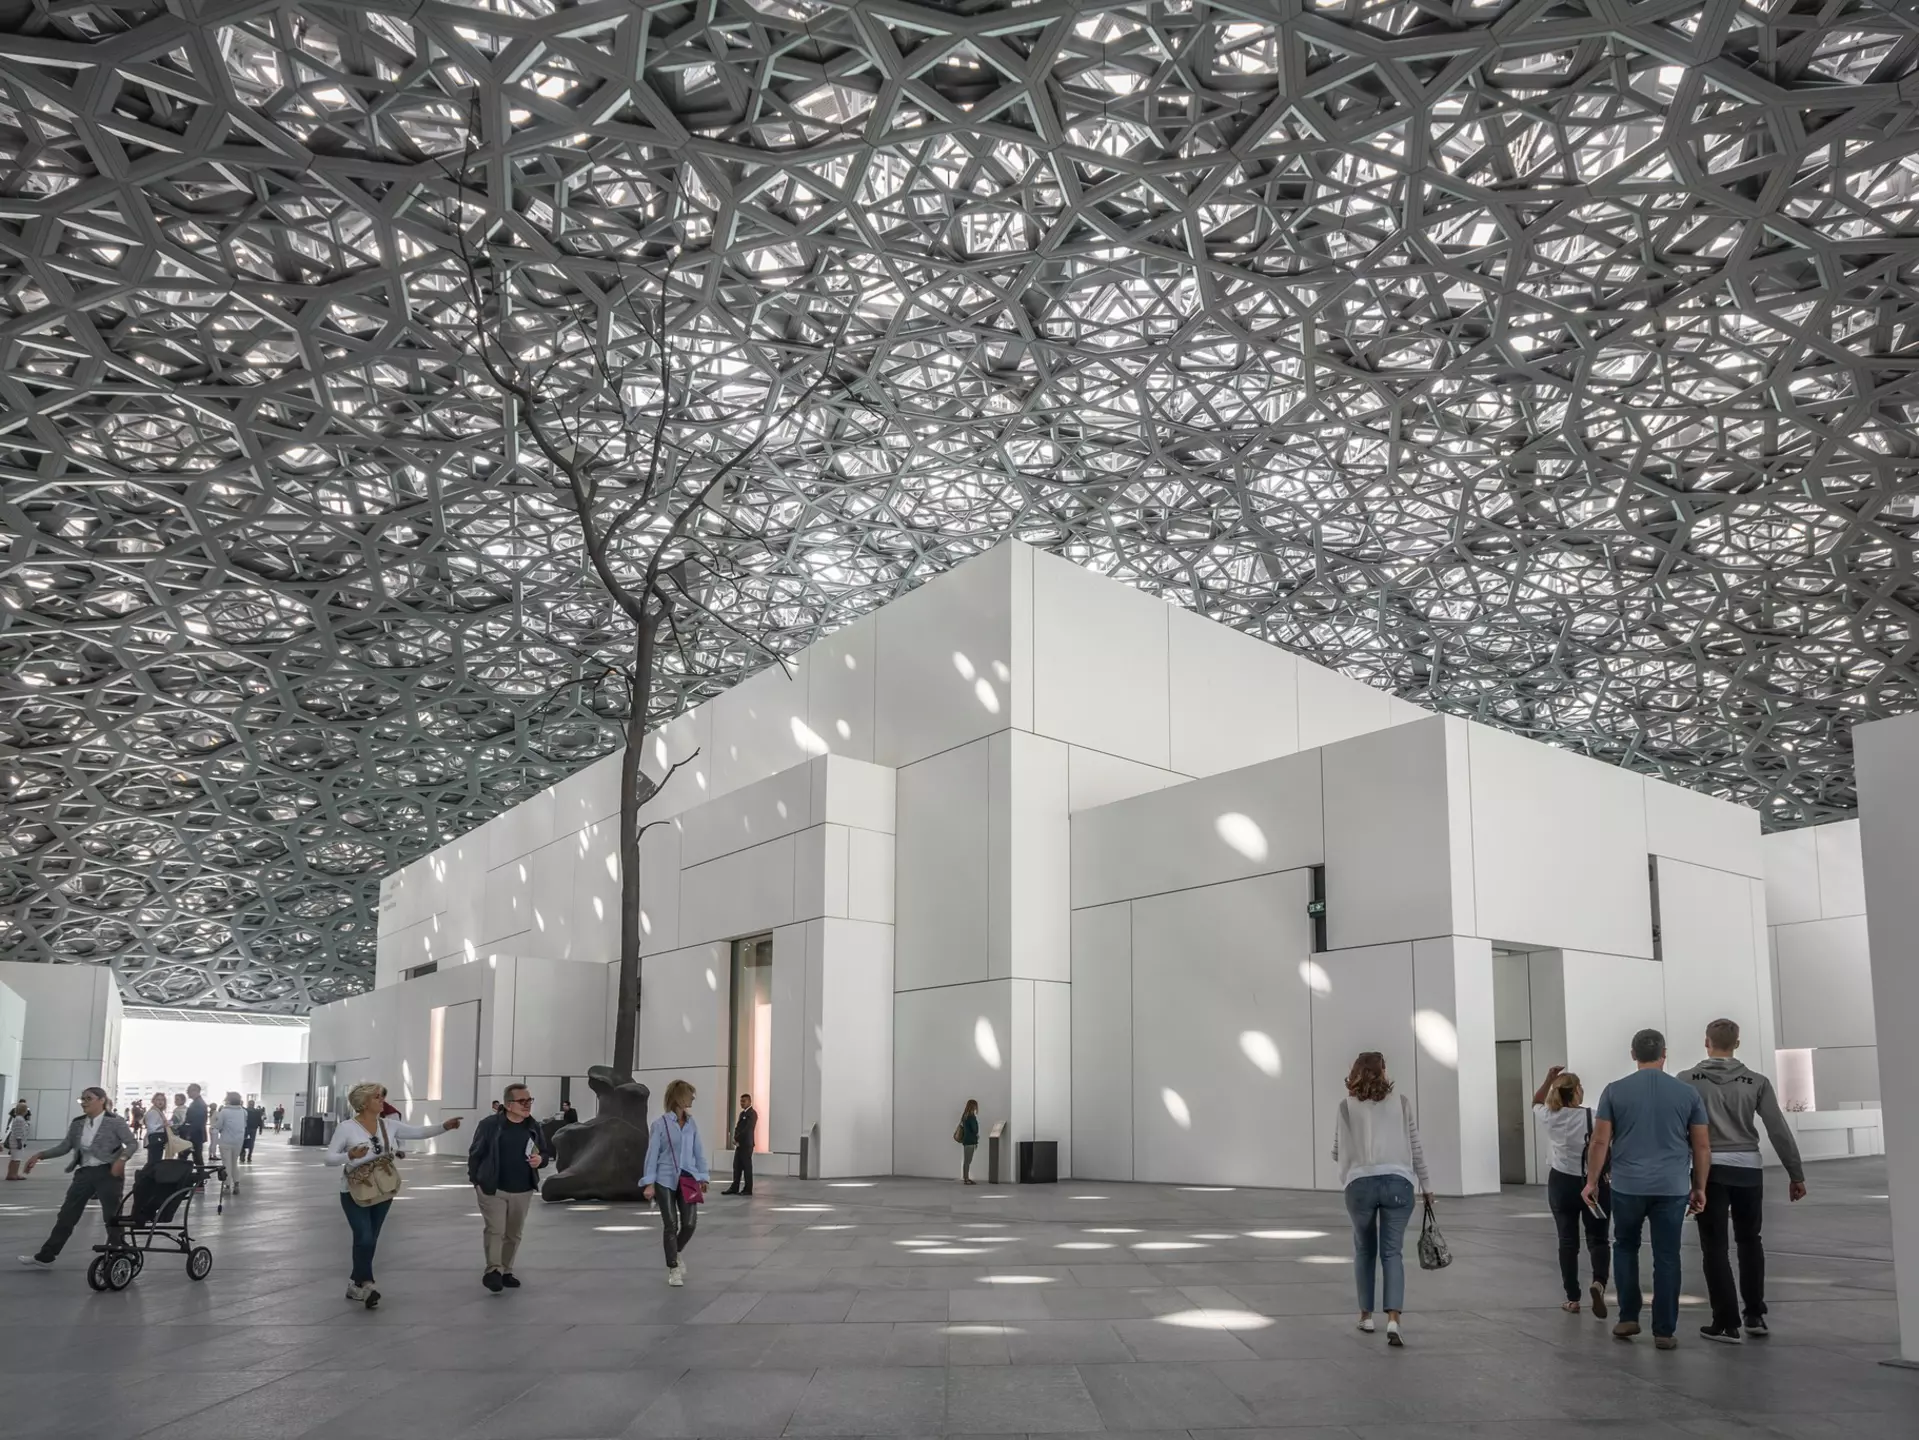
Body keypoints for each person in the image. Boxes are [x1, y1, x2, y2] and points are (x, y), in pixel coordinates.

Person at [1680, 1018, 1808, 1342]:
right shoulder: (1757, 1081)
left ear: (1706, 1041)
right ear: (1737, 1043)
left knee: (1715, 1247)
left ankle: (1726, 1322)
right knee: (1750, 1240)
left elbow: (1675, 1129)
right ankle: (1754, 1315)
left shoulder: (1685, 1081)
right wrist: (1796, 1173)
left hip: (1709, 1171)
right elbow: (1777, 1129)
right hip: (1749, 1169)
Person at [1584, 1028, 1710, 1351]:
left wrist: (1591, 1181)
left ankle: (1628, 1315)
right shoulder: (1687, 1094)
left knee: (1625, 1246)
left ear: (1633, 1054)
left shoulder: (1614, 1091)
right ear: (1664, 1054)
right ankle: (1664, 1330)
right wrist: (1699, 1187)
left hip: (1627, 1185)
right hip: (1672, 1186)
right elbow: (1702, 1147)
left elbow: (1599, 1141)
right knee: (1667, 1255)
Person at [325, 1082, 462, 1309]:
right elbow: (329, 1158)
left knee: (370, 1238)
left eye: (382, 1096)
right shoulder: (347, 1128)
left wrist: (444, 1126)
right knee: (364, 1237)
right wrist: (349, 1154)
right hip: (354, 1191)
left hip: (383, 1189)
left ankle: (356, 1284)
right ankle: (366, 1283)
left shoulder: (388, 1124)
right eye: (377, 1097)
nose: (382, 1100)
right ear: (363, 1102)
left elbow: (418, 1131)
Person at [1331, 1051, 1432, 1347]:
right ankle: (1393, 1321)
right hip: (1398, 1183)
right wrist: (1426, 1185)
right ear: (1384, 1070)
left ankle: (1365, 1316)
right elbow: (1415, 1146)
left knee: (1364, 1251)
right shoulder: (1401, 1103)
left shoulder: (1345, 1106)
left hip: (1359, 1184)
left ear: (1356, 1072)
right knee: (1392, 1253)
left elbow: (1336, 1151)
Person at [15, 1088, 137, 1268]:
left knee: (111, 1216)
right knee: (67, 1215)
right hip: (84, 1173)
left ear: (102, 1100)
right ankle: (46, 1256)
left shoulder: (115, 1122)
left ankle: (120, 1252)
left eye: (89, 1098)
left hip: (109, 1173)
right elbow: (65, 1147)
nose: (84, 1102)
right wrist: (39, 1155)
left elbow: (132, 1143)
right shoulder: (78, 1123)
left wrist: (122, 1159)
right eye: (82, 1099)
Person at [1533, 1066, 1610, 1316]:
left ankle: (1572, 1298)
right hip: (1593, 1182)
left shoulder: (1549, 1115)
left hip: (1561, 1182)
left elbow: (1535, 1101)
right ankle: (1599, 1282)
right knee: (1598, 1238)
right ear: (1577, 1091)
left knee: (1567, 1240)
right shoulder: (1594, 1115)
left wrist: (1548, 1080)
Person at [467, 1083, 553, 1292]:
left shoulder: (533, 1126)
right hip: (493, 1188)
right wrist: (476, 1181)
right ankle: (493, 1271)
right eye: (522, 1101)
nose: (527, 1105)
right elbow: (475, 1153)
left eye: (529, 1100)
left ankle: (506, 1270)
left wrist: (539, 1160)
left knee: (514, 1233)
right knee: (496, 1229)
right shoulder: (489, 1125)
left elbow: (545, 1152)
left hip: (523, 1188)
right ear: (508, 1104)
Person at [641, 1079, 708, 1286]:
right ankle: (673, 1268)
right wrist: (649, 1182)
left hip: (688, 1177)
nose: (692, 1098)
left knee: (689, 1224)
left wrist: (703, 1175)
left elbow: (698, 1151)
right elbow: (651, 1155)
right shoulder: (660, 1124)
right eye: (690, 1094)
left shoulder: (692, 1124)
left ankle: (675, 1252)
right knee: (670, 1224)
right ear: (679, 1097)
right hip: (664, 1179)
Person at [722, 1094, 757, 1196]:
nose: (742, 1103)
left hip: (746, 1144)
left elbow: (748, 1129)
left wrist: (738, 1138)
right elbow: (738, 1127)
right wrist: (735, 1137)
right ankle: (734, 1187)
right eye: (741, 1101)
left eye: (744, 1101)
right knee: (737, 1166)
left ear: (750, 1102)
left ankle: (748, 1189)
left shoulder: (752, 1114)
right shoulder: (742, 1114)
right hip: (739, 1144)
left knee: (747, 1167)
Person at [213, 1092, 248, 1193]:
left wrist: (215, 1128)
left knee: (226, 1164)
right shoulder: (243, 1112)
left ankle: (227, 1186)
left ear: (228, 1100)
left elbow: (219, 1126)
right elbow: (244, 1125)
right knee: (234, 1163)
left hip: (226, 1141)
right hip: (238, 1141)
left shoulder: (224, 1111)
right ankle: (236, 1184)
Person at [180, 1084, 207, 1177]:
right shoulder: (197, 1103)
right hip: (195, 1135)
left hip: (194, 1136)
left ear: (195, 1091)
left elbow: (197, 1122)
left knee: (193, 1157)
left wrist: (188, 1135)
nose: (187, 1092)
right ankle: (199, 1178)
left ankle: (186, 1177)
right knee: (195, 1157)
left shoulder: (198, 1104)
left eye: (189, 1090)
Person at [142, 1092, 171, 1167]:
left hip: (156, 1139)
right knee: (154, 1162)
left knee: (154, 1162)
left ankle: (147, 1176)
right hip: (155, 1139)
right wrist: (163, 1125)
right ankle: (144, 1176)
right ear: (153, 1101)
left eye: (162, 1100)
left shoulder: (158, 1111)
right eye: (158, 1099)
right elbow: (151, 1128)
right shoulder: (153, 1112)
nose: (160, 1102)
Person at [4, 1101, 29, 1181]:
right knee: (16, 1160)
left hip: (16, 1141)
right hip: (17, 1141)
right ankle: (12, 1174)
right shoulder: (19, 1119)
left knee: (14, 1159)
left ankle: (12, 1173)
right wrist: (19, 1142)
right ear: (23, 1111)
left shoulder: (18, 1118)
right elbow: (18, 1131)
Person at [957, 1099, 980, 1184]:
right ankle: (966, 1179)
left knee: (966, 1160)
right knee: (968, 1161)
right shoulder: (971, 1116)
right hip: (971, 1141)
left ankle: (966, 1177)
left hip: (966, 1140)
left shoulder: (965, 1116)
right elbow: (974, 1129)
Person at [242, 1099, 264, 1163]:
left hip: (246, 1128)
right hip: (254, 1128)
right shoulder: (257, 1111)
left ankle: (243, 1154)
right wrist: (260, 1129)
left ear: (248, 1104)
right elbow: (260, 1121)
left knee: (243, 1141)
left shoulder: (245, 1110)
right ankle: (249, 1156)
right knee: (252, 1142)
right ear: (254, 1104)